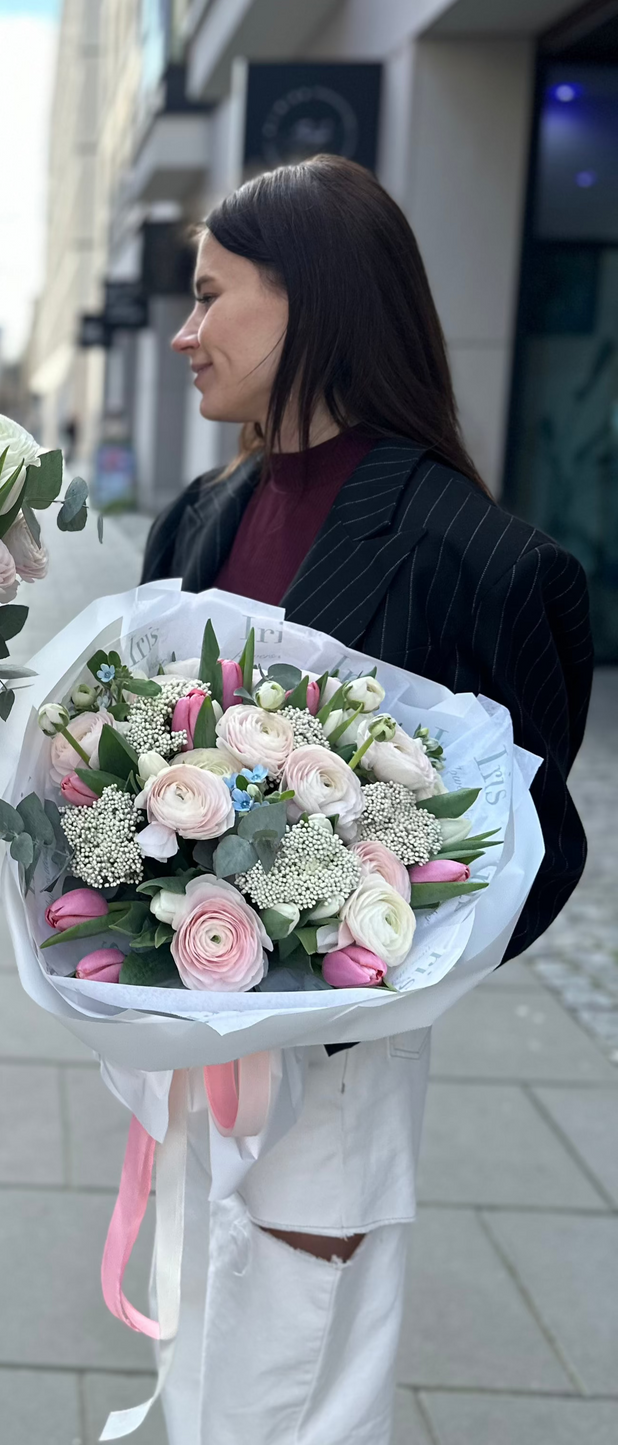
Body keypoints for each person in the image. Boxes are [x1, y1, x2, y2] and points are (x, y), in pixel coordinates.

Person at [141, 155, 592, 1445]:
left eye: (211, 294)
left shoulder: (479, 558)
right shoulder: (196, 516)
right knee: (197, 1351)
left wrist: (371, 929)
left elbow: (535, 842)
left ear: (312, 302)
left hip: (333, 1064)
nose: (184, 330)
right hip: (183, 1038)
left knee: (295, 1385)